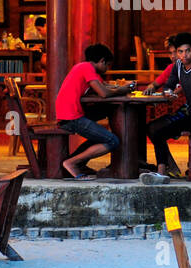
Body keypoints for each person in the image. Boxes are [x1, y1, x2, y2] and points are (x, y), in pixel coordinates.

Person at [142, 33, 191, 195]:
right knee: (158, 132)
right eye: (180, 52)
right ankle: (162, 171)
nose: (184, 55)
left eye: (188, 51)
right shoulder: (178, 66)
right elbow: (168, 85)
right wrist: (168, 93)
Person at [54, 43, 134, 179]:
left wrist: (119, 87)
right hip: (71, 116)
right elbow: (103, 93)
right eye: (107, 65)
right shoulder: (87, 67)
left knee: (106, 118)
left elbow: (103, 85)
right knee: (112, 141)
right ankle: (72, 162)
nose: (107, 69)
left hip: (69, 114)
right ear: (102, 60)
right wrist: (123, 90)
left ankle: (77, 163)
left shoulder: (83, 67)